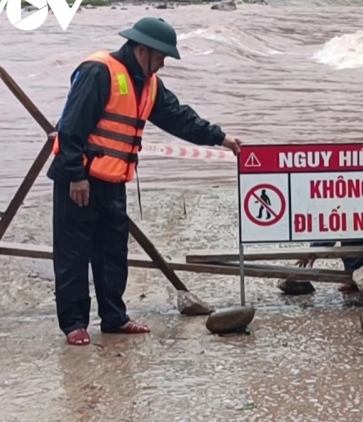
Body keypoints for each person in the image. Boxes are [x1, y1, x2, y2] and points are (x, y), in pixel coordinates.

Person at [45, 17, 242, 346]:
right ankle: (74, 325)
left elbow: (179, 118)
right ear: (141, 50)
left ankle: (114, 318)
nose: (163, 64)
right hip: (78, 181)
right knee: (73, 255)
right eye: (161, 57)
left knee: (113, 254)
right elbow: (70, 129)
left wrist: (220, 138)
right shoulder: (98, 72)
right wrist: (76, 176)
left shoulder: (149, 85)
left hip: (113, 182)